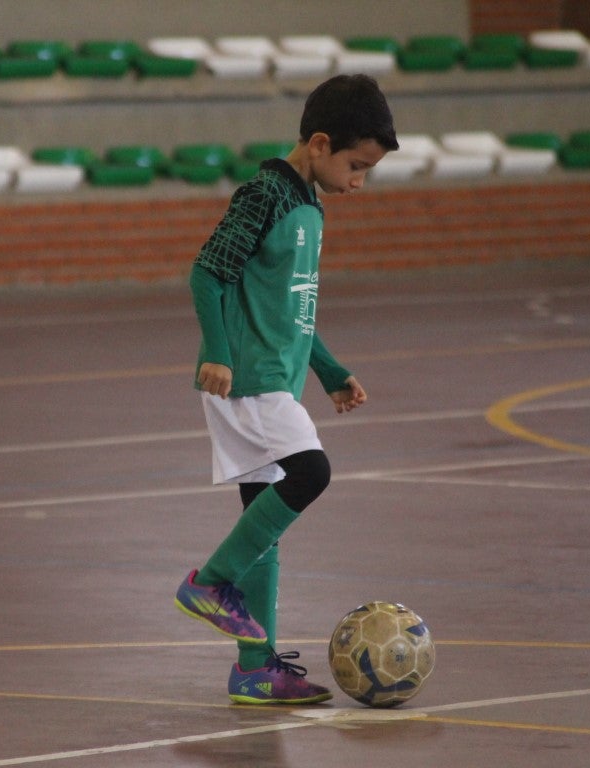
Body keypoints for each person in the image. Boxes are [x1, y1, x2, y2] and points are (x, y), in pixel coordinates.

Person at [174, 74, 397, 704]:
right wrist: (217, 352)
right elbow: (207, 273)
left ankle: (253, 666)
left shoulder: (308, 204)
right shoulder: (265, 194)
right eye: (356, 166)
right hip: (246, 379)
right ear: (320, 143)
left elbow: (295, 308)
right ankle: (209, 584)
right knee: (311, 472)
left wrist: (329, 370)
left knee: (263, 519)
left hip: (276, 379)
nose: (360, 182)